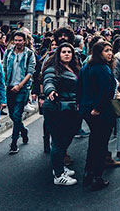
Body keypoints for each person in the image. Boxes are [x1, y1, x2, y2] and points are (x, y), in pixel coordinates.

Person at [77, 41, 118, 190]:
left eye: (110, 50)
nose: (109, 53)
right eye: (106, 50)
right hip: (101, 111)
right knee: (101, 145)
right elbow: (106, 91)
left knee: (93, 143)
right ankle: (97, 177)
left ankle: (88, 173)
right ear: (98, 52)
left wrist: (81, 105)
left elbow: (79, 87)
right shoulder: (103, 69)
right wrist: (98, 108)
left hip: (87, 109)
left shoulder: (86, 67)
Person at [41, 43, 80, 185]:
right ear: (59, 54)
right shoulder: (53, 69)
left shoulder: (74, 68)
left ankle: (59, 167)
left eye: (69, 51)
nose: (67, 54)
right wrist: (50, 91)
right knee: (58, 141)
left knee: (67, 138)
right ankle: (58, 175)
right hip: (56, 108)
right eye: (64, 51)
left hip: (70, 109)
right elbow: (48, 80)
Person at [3, 32, 36, 154]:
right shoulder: (8, 52)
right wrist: (5, 84)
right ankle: (23, 130)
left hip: (22, 89)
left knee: (17, 115)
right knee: (12, 115)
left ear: (24, 41)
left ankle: (14, 143)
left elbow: (30, 72)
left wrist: (20, 85)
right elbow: (5, 69)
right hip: (10, 87)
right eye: (16, 40)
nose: (17, 43)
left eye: (20, 40)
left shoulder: (29, 54)